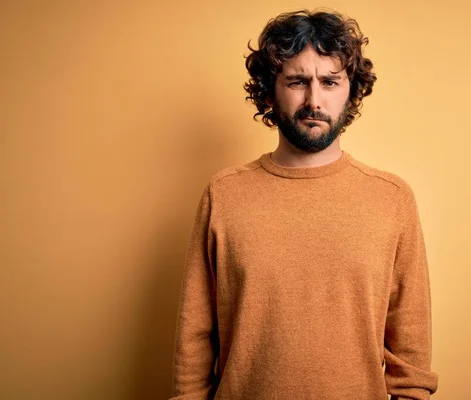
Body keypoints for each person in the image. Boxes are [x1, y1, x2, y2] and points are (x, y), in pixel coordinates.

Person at [170, 9, 438, 400]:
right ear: (269, 90)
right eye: (297, 81)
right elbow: (194, 338)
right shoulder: (224, 194)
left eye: (330, 82)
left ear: (351, 90)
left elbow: (411, 354)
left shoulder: (391, 198)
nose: (315, 100)